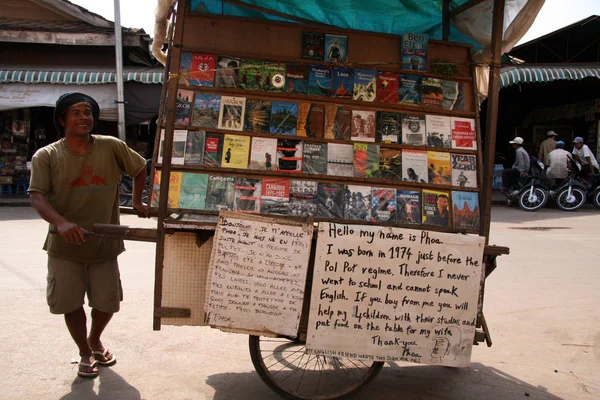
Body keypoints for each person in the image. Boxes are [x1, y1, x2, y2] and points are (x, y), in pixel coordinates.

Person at [28, 93, 147, 379]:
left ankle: (95, 340)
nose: (84, 118)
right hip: (64, 246)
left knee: (107, 303)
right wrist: (62, 223)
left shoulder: (110, 146)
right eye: (76, 113)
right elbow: (37, 197)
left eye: (88, 112)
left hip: (104, 243)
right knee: (70, 303)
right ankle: (84, 351)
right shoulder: (46, 155)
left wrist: (139, 201)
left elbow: (140, 167)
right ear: (62, 120)